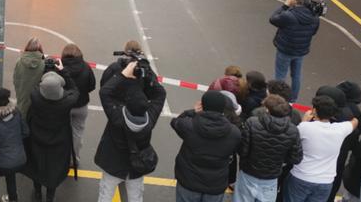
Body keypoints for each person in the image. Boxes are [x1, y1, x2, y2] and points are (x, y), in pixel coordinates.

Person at [95, 59, 166, 202]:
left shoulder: (118, 118)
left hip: (113, 163)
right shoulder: (149, 121)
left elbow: (105, 92)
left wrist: (123, 75)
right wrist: (148, 73)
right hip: (136, 167)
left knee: (106, 195)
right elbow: (160, 94)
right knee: (135, 197)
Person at [171, 90, 242, 202]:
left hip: (189, 181)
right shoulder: (234, 133)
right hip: (216, 185)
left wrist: (193, 111)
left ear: (203, 106)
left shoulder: (189, 125)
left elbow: (176, 121)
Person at [284, 95, 358, 202]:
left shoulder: (304, 127)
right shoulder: (340, 129)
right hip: (325, 181)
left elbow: (291, 138)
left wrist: (304, 120)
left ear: (314, 110)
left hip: (301, 177)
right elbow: (355, 121)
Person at [234, 94, 302, 202]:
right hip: (271, 178)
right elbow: (296, 158)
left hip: (248, 173)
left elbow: (242, 150)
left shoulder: (252, 123)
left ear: (267, 109)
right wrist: (280, 160)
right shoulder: (292, 130)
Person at [24, 70, 79, 202]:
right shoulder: (67, 102)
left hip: (37, 139)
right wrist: (64, 72)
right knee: (54, 169)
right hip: (58, 142)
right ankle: (50, 196)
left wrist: (45, 72)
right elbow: (75, 90)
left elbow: (37, 86)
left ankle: (37, 193)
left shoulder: (35, 97)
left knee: (36, 165)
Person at [270, 0, 320, 102]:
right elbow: (314, 32)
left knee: (280, 76)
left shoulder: (289, 15)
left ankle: (278, 100)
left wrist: (285, 5)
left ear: (296, 0)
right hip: (301, 50)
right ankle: (293, 100)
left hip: (285, 50)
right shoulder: (315, 17)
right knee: (296, 76)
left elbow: (273, 19)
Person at [61, 43, 96, 157]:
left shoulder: (60, 69)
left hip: (64, 106)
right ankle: (74, 158)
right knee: (77, 133)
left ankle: (62, 157)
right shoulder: (86, 67)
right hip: (81, 105)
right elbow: (92, 86)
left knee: (61, 131)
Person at [13, 37, 45, 118]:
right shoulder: (44, 64)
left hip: (22, 99)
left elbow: (16, 80)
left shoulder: (19, 61)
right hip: (37, 102)